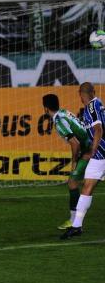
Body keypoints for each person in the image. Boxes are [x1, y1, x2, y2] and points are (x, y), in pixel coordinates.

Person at [61, 82, 105, 239]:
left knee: (87, 187)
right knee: (87, 187)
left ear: (80, 94)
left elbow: (99, 129)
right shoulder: (96, 105)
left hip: (100, 154)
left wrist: (93, 149)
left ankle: (76, 225)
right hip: (99, 156)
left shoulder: (92, 107)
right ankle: (77, 226)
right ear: (92, 91)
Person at [42, 94, 91, 229]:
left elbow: (74, 143)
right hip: (91, 145)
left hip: (89, 149)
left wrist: (74, 161)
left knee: (73, 183)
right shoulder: (64, 112)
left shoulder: (58, 122)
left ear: (46, 108)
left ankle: (74, 220)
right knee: (79, 183)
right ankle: (75, 219)